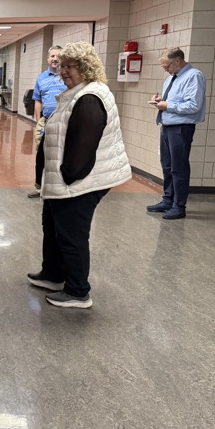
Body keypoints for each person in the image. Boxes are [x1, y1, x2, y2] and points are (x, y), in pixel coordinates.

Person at [27, 42, 131, 308]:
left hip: (79, 182)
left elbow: (83, 148)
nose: (63, 72)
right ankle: (53, 275)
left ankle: (77, 291)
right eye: (61, 66)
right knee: (52, 227)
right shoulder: (76, 93)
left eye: (69, 67)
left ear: (85, 67)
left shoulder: (90, 97)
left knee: (72, 234)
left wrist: (67, 177)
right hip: (63, 180)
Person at [146, 48, 207, 220]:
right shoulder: (172, 78)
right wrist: (160, 102)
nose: (165, 70)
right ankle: (168, 200)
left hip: (181, 128)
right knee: (167, 165)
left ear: (178, 61)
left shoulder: (194, 76)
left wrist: (168, 106)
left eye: (167, 66)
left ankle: (179, 206)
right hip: (167, 125)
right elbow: (173, 101)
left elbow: (193, 105)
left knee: (178, 167)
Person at [27, 45, 66, 198]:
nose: (55, 59)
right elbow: (37, 100)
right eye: (52, 56)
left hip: (64, 121)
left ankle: (59, 188)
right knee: (41, 155)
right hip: (46, 121)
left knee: (61, 155)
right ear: (48, 59)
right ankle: (40, 187)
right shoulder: (41, 78)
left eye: (58, 56)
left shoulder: (67, 75)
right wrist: (39, 121)